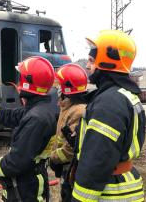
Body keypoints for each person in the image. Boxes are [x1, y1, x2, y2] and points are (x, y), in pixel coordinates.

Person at [71, 30, 146, 201]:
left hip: (109, 191)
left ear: (107, 62)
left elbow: (96, 161)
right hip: (122, 187)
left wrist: (79, 198)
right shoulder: (123, 95)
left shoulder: (108, 103)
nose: (88, 66)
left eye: (92, 60)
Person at [0, 56, 57, 201]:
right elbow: (7, 115)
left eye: (20, 78)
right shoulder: (37, 110)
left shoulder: (36, 118)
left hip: (26, 188)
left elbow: (16, 162)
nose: (18, 83)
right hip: (27, 182)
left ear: (27, 83)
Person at [49, 63, 88, 202]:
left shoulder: (77, 111)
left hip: (71, 168)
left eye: (60, 84)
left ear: (67, 88)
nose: (57, 88)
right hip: (67, 167)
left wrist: (53, 157)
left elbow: (71, 148)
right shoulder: (68, 107)